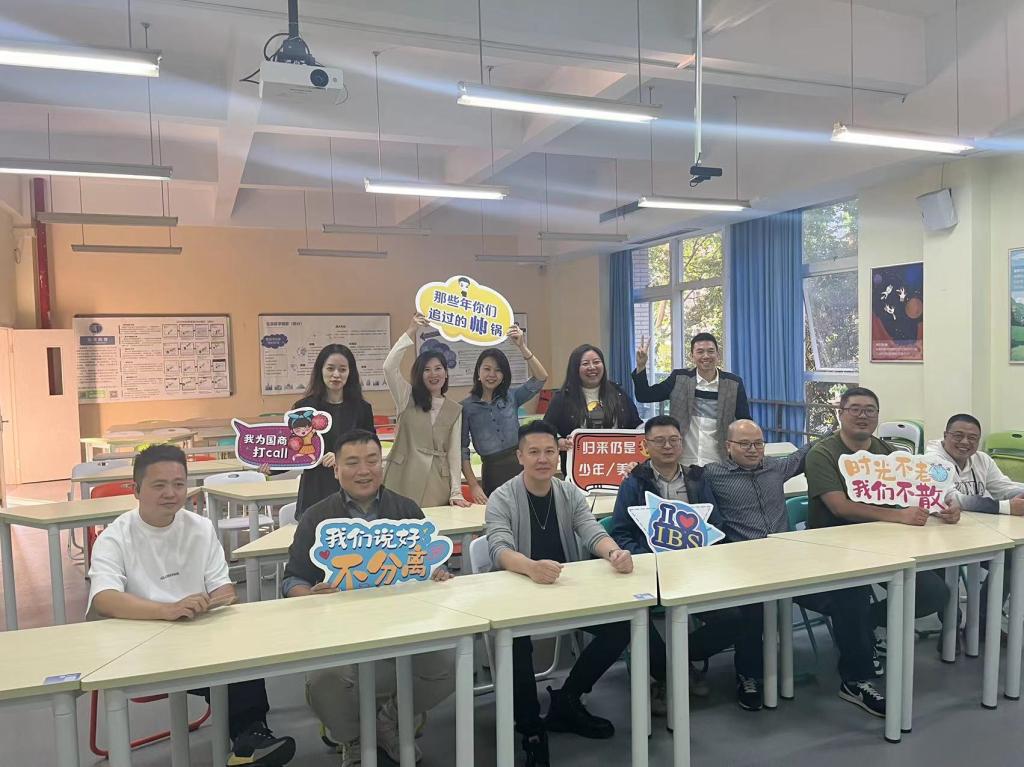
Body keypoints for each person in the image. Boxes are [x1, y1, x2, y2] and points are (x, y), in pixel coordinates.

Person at [87, 445, 295, 767]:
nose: (171, 493)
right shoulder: (115, 537)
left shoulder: (200, 527)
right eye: (159, 485)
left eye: (179, 484)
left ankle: (251, 738)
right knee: (223, 667)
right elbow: (104, 598)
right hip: (138, 643)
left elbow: (224, 589)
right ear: (136, 490)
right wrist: (166, 610)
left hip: (195, 635)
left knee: (240, 651)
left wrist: (212, 603)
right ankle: (249, 740)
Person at [281, 429, 455, 766]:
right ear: (336, 470)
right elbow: (293, 579)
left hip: (404, 626)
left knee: (449, 666)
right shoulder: (317, 517)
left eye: (373, 461)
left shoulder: (405, 510)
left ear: (382, 465)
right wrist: (311, 596)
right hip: (339, 632)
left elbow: (433, 563)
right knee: (323, 681)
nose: (364, 471)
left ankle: (388, 722)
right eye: (352, 463)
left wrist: (439, 573)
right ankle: (356, 738)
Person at [701, 419, 884, 715]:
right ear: (728, 446)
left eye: (758, 443)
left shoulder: (776, 467)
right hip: (744, 564)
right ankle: (749, 675)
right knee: (751, 611)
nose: (753, 450)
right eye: (744, 444)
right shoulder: (711, 474)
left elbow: (806, 451)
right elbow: (678, 480)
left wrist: (843, 429)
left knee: (851, 595)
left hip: (789, 562)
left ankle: (856, 679)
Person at [486, 420, 637, 767]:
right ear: (520, 456)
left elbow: (590, 530)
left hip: (566, 592)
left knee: (621, 625)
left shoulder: (568, 493)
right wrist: (530, 567)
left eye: (549, 451)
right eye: (534, 452)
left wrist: (614, 553)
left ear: (559, 454)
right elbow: (499, 548)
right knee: (514, 640)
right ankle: (530, 728)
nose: (543, 459)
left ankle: (568, 699)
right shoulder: (502, 497)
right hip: (518, 593)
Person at [805, 387, 960, 653]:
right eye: (855, 409)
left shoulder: (888, 452)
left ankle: (865, 623)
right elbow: (840, 507)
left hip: (885, 542)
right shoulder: (822, 453)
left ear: (877, 415)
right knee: (853, 597)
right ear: (841, 413)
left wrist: (944, 506)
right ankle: (857, 647)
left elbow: (917, 490)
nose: (862, 416)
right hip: (835, 546)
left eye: (870, 410)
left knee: (934, 591)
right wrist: (899, 515)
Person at [609, 415, 740, 709]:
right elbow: (620, 533)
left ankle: (678, 660)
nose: (667, 446)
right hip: (650, 571)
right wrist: (647, 560)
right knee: (635, 621)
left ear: (682, 443)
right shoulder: (634, 482)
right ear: (646, 446)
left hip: (696, 570)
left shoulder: (697, 479)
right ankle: (666, 675)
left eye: (673, 440)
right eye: (659, 441)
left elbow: (715, 523)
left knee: (737, 616)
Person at [926, 413, 1024, 639]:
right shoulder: (932, 461)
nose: (965, 442)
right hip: (937, 538)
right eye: (958, 436)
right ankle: (950, 633)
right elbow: (953, 499)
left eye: (972, 438)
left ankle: (982, 623)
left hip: (976, 535)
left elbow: (1003, 487)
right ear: (945, 435)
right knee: (945, 577)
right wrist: (1007, 507)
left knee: (1013, 560)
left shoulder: (982, 460)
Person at [383, 313, 470, 508]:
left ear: (446, 373)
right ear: (419, 374)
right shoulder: (406, 396)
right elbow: (389, 368)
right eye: (427, 369)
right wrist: (411, 330)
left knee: (434, 523)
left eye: (438, 368)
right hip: (402, 474)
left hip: (437, 479)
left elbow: (454, 452)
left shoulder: (455, 409)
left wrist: (456, 491)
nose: (433, 374)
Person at [631, 332, 750, 466]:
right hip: (682, 460)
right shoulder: (679, 378)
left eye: (710, 351)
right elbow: (644, 396)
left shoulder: (733, 383)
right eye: (700, 352)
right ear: (692, 356)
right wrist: (641, 366)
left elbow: (744, 421)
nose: (706, 356)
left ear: (718, 354)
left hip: (720, 461)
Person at [461, 324, 549, 502]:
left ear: (504, 375)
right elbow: (462, 450)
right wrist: (473, 485)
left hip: (521, 466)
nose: (492, 374)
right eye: (487, 369)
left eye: (498, 370)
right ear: (478, 373)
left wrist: (522, 346)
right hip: (492, 471)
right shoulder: (466, 407)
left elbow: (541, 378)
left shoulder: (512, 397)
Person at [290, 344, 375, 518]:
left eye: (342, 369)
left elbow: (371, 447)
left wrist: (342, 456)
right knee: (313, 531)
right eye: (330, 368)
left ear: (350, 373)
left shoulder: (362, 408)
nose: (336, 374)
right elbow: (293, 448)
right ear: (320, 370)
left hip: (352, 486)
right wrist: (271, 466)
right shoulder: (304, 408)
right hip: (315, 486)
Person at [543, 344, 641, 474]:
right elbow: (544, 430)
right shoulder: (562, 398)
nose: (592, 367)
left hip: (619, 467)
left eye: (596, 362)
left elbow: (636, 425)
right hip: (580, 470)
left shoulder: (618, 393)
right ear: (575, 368)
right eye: (585, 364)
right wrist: (558, 441)